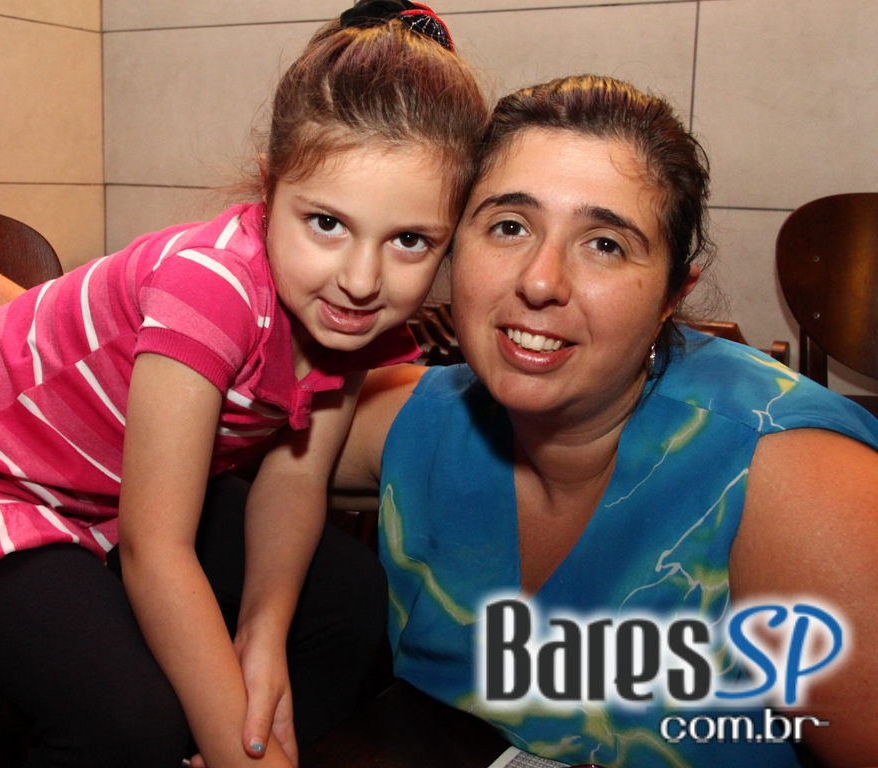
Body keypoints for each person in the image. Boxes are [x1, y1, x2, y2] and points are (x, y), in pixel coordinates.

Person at [0, 4, 487, 768]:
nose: (360, 278)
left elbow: (295, 477)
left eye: (410, 240)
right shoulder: (211, 287)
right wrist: (240, 742)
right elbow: (157, 550)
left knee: (348, 604)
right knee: (132, 720)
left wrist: (261, 634)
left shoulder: (344, 317)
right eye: (326, 223)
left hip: (100, 486)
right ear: (270, 188)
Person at [332, 76, 878, 767]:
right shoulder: (421, 422)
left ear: (672, 295)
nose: (540, 280)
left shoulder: (790, 476)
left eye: (606, 244)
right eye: (509, 226)